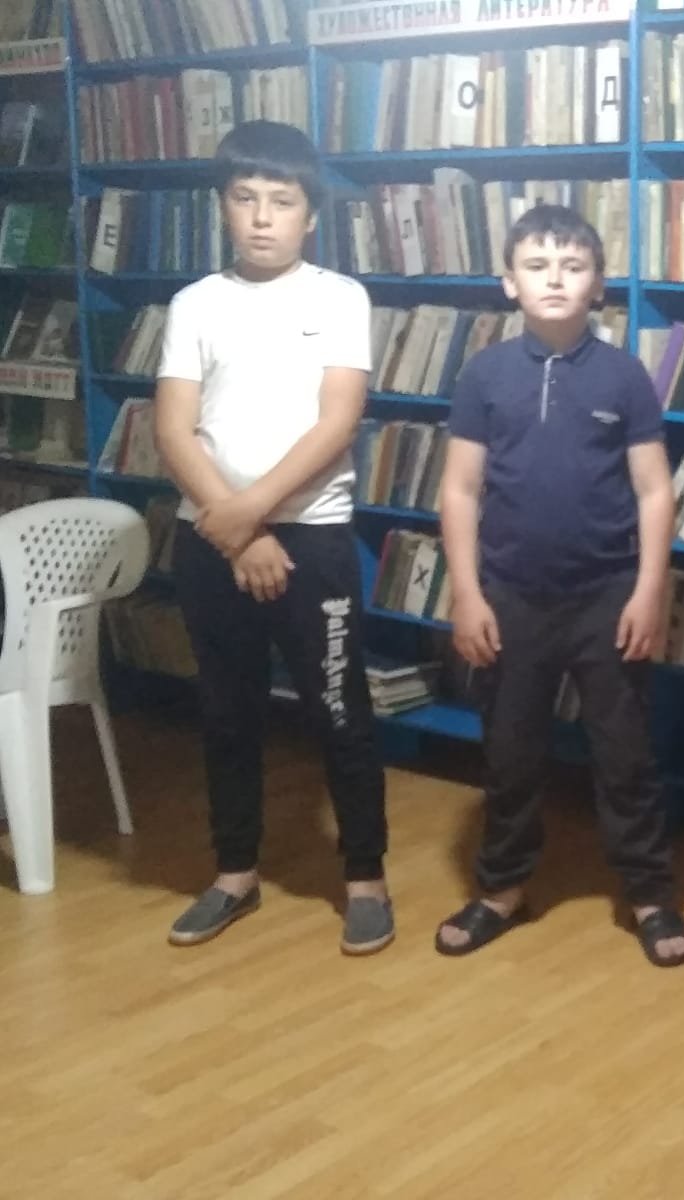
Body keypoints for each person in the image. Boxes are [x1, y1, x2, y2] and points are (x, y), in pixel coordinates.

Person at [431, 204, 684, 967]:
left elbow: (654, 490)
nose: (555, 279)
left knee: (625, 755)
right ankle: (501, 888)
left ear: (598, 285)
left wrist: (649, 591)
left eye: (573, 266)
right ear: (508, 282)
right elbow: (460, 490)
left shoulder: (624, 375)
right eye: (538, 266)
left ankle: (649, 895)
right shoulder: (485, 374)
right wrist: (466, 592)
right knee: (510, 753)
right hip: (509, 596)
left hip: (607, 596)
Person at [155, 120, 392, 954]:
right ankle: (234, 873)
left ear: (310, 215)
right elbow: (174, 429)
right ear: (223, 205)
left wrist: (250, 513)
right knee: (227, 713)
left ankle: (365, 878)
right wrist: (235, 530)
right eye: (245, 198)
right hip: (212, 542)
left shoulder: (340, 298)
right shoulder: (194, 304)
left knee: (340, 712)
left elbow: (338, 421)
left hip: (310, 540)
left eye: (281, 201)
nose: (262, 217)